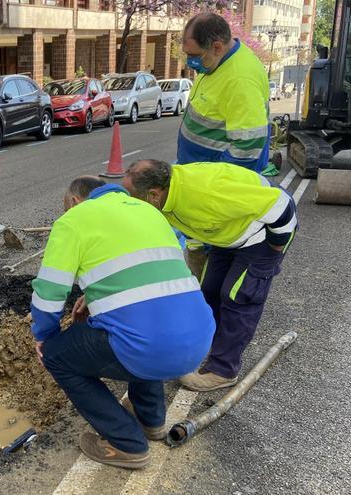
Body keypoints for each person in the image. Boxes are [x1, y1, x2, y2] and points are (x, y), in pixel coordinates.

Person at [31, 176, 215, 469]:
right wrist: (93, 299)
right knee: (139, 325)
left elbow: (49, 292)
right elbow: (147, 279)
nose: (66, 214)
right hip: (198, 339)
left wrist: (45, 336)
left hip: (151, 346)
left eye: (67, 208)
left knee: (59, 355)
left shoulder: (75, 219)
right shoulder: (147, 211)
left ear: (75, 201)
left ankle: (126, 443)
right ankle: (151, 420)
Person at [123, 160, 297, 392]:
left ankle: (224, 369)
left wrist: (273, 250)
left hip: (264, 232)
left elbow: (281, 206)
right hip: (227, 234)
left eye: (131, 197)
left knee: (238, 296)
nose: (128, 203)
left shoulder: (206, 192)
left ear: (154, 195)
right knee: (210, 291)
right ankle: (204, 350)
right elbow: (187, 225)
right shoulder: (168, 197)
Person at [178, 13, 271, 172]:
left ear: (217, 47)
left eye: (194, 55)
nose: (189, 62)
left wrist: (214, 180)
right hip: (196, 170)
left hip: (210, 181)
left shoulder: (240, 79)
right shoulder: (217, 61)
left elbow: (248, 147)